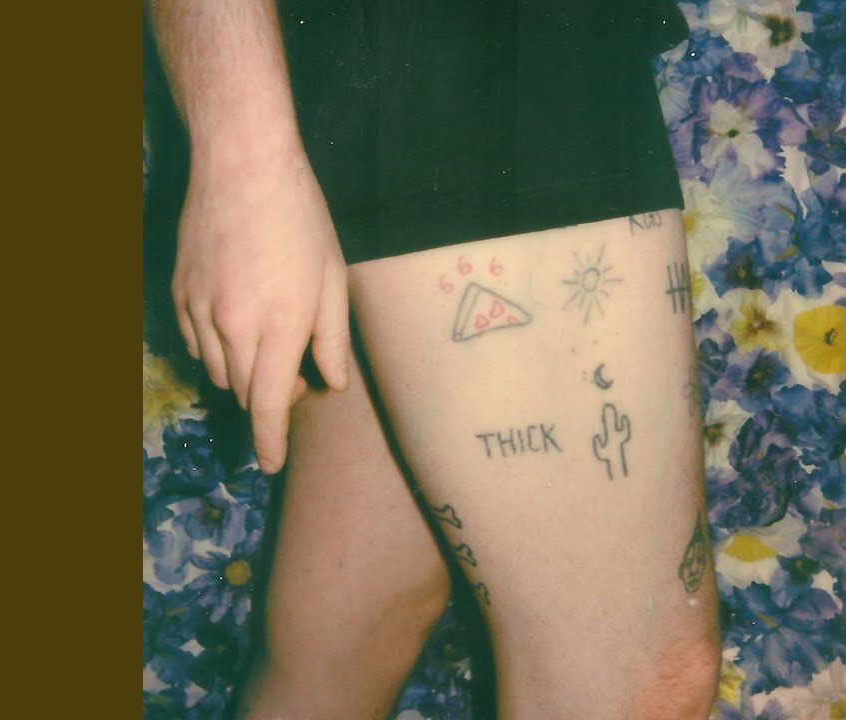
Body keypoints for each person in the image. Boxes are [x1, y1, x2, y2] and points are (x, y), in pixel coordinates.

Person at [146, 1, 721, 717]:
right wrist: (243, 155)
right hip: (474, 50)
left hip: (412, 57)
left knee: (356, 635)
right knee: (635, 680)